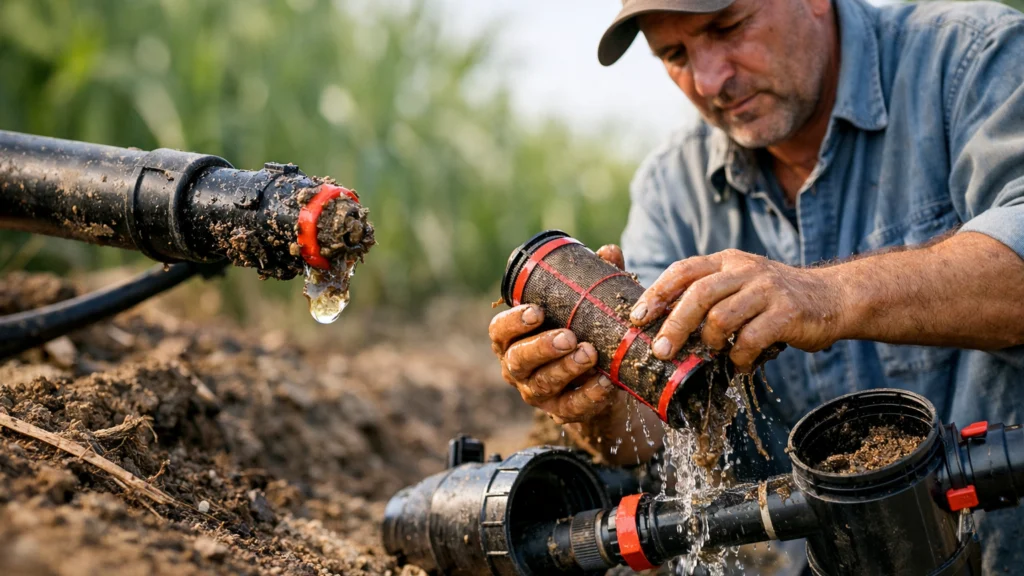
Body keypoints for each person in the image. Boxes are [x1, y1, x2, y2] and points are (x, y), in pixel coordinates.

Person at [489, 0, 1024, 571]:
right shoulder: (673, 191)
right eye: (675, 54)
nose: (710, 79)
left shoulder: (973, 56)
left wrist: (827, 296)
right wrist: (599, 404)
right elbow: (658, 428)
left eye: (727, 26)